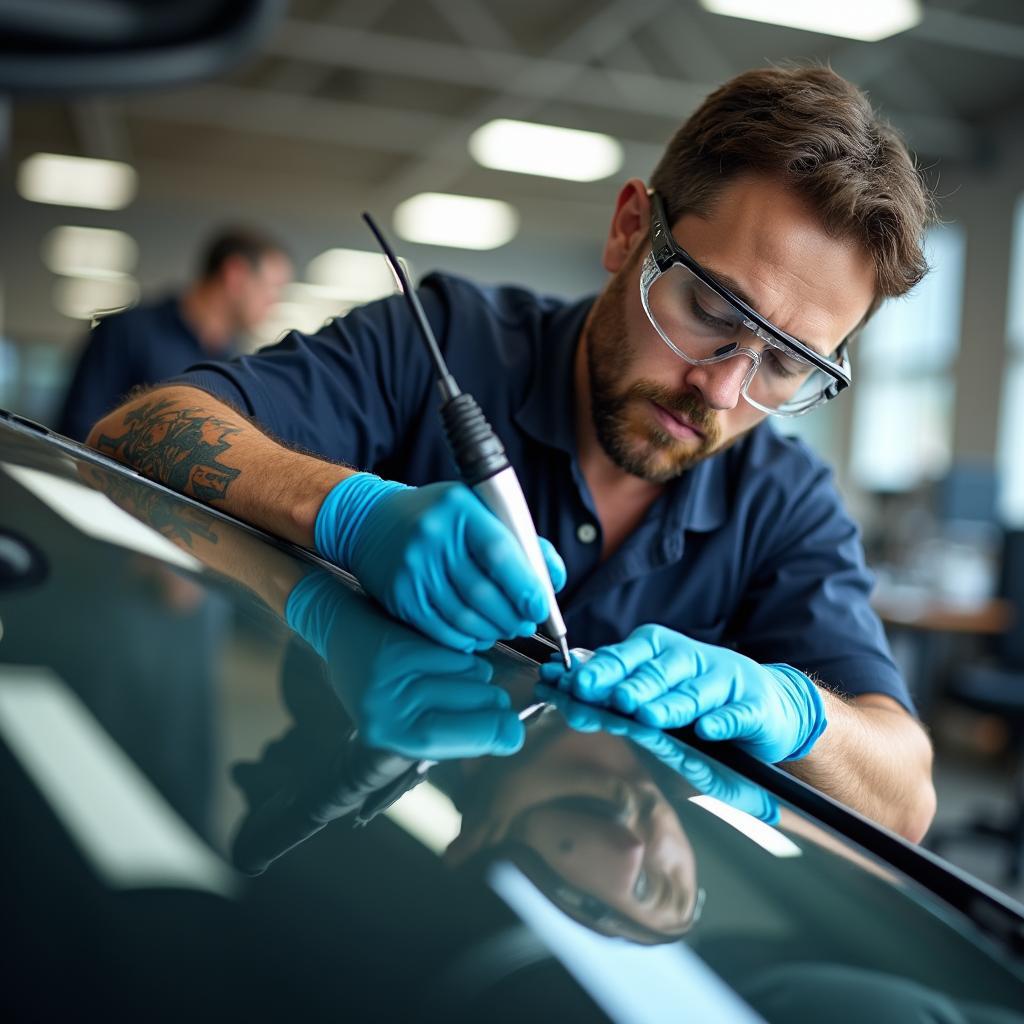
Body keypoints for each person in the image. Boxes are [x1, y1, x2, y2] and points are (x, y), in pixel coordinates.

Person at [86, 66, 938, 841]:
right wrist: (346, 510)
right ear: (630, 230)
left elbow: (905, 800)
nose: (720, 392)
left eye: (786, 363)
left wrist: (793, 712)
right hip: (341, 851)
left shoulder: (783, 503)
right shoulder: (446, 342)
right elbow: (135, 432)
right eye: (713, 311)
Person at [56, 226, 292, 441]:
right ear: (235, 274)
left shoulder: (234, 362)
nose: (274, 302)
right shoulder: (129, 330)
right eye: (272, 288)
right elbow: (78, 427)